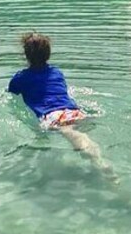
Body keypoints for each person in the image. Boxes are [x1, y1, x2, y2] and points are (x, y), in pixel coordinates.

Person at [8, 32, 115, 180]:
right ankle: (97, 158)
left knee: (71, 133)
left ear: (25, 55)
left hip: (54, 116)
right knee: (77, 133)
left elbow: (12, 96)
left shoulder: (19, 79)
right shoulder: (57, 73)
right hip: (74, 112)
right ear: (48, 54)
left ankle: (98, 161)